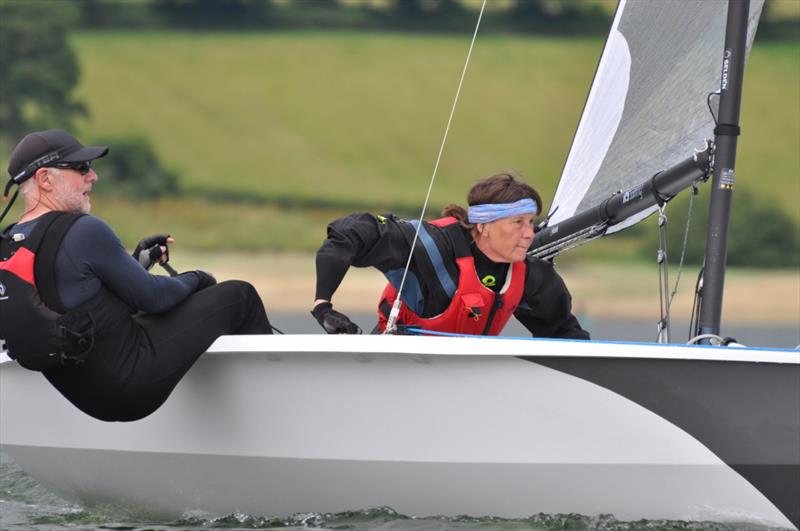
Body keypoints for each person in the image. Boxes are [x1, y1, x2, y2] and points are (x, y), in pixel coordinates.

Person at [0, 130, 273, 422]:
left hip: (87, 398)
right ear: (45, 179)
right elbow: (155, 298)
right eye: (81, 168)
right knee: (239, 295)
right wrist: (199, 278)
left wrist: (136, 264)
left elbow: (79, 305)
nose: (93, 176)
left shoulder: (9, 243)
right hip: (131, 384)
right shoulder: (83, 229)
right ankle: (273, 412)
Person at [311, 172, 589, 339]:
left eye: (531, 222)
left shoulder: (533, 276)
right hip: (395, 370)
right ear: (483, 226)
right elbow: (347, 233)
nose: (529, 234)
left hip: (463, 387)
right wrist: (323, 307)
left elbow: (564, 335)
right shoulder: (431, 249)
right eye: (518, 223)